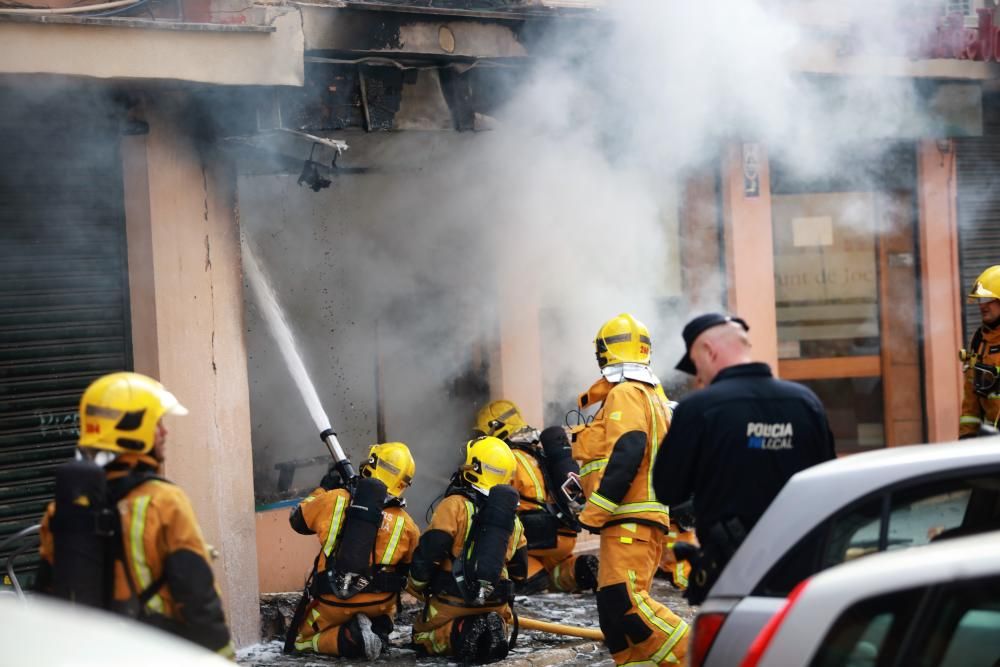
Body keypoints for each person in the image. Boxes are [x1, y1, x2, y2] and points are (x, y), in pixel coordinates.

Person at [36, 372, 234, 657]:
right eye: (157, 424)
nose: (164, 433)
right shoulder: (164, 502)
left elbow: (47, 593)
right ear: (134, 429)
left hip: (89, 654)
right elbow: (197, 597)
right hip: (154, 651)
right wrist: (222, 657)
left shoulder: (61, 510)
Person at [653, 313, 836, 604]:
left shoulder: (698, 409)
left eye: (695, 366)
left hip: (732, 574)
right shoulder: (805, 402)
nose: (698, 377)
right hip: (801, 573)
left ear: (709, 352)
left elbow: (666, 489)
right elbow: (829, 481)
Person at [570, 313, 690, 666]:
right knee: (613, 613)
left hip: (629, 516)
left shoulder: (626, 393)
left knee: (627, 603)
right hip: (631, 517)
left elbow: (630, 449)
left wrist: (595, 510)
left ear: (605, 353)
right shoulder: (649, 395)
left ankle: (706, 651)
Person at [286, 442, 420, 658]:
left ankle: (351, 637)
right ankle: (378, 631)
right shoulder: (407, 524)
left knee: (303, 642)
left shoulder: (335, 498)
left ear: (373, 465)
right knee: (384, 609)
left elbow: (297, 520)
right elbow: (410, 568)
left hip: (334, 600)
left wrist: (323, 489)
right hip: (380, 604)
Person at [408, 436, 528, 664]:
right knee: (493, 619)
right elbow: (520, 572)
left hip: (452, 601)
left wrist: (416, 585)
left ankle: (461, 631)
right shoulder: (513, 520)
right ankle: (493, 626)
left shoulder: (455, 505)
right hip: (497, 603)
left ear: (476, 467)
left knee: (420, 638)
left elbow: (431, 551)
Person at [474, 400, 598, 595]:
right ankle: (574, 571)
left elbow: (495, 501)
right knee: (554, 565)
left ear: (494, 428)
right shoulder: (539, 452)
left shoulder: (509, 458)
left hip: (538, 534)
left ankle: (532, 576)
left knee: (498, 531)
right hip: (564, 534)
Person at [961, 265, 1000, 438]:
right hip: (992, 441)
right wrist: (967, 436)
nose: (982, 306)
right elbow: (971, 396)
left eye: (987, 300)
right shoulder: (979, 340)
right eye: (980, 300)